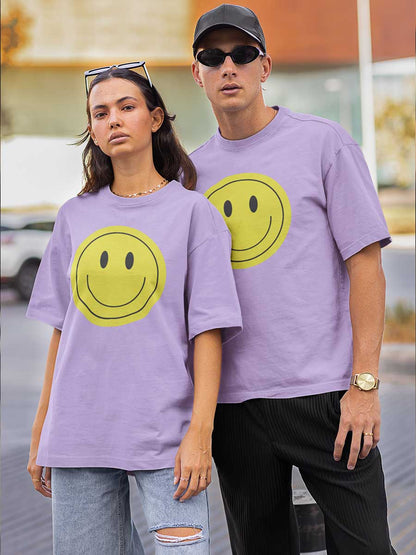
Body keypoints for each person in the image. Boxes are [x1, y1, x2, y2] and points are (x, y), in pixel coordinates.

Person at [189, 4, 396, 554]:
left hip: (326, 396)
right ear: (197, 73)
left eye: (242, 54)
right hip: (235, 407)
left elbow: (367, 269)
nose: (227, 66)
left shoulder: (323, 143)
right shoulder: (189, 176)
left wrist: (365, 385)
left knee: (368, 547)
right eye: (213, 56)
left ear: (265, 66)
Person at [26, 62, 242, 554]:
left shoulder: (194, 214)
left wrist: (200, 434)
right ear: (93, 132)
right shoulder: (73, 216)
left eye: (127, 107)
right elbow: (63, 330)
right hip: (78, 433)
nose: (114, 120)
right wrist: (42, 430)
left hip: (167, 437)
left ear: (156, 118)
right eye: (100, 114)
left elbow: (207, 332)